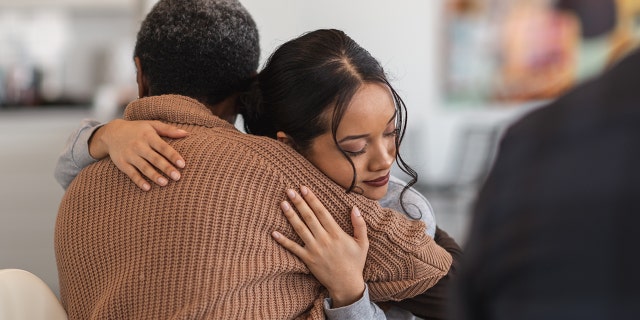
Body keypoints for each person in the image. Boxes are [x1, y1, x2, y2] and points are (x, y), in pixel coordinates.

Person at [54, 1, 454, 319]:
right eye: (354, 146)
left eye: (390, 133)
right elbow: (431, 270)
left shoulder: (77, 193)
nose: (384, 159)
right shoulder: (270, 172)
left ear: (139, 73)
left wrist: (102, 134)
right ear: (249, 85)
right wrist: (349, 290)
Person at [452, 48, 640, 319]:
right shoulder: (531, 142)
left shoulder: (533, 141)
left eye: (390, 134)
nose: (383, 159)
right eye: (364, 145)